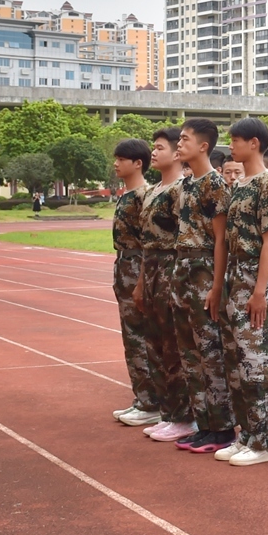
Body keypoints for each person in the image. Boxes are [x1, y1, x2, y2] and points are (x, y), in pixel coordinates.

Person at [213, 118, 268, 466]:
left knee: (257, 364)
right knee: (236, 363)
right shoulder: (241, 185)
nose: (231, 147)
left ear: (254, 143)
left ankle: (263, 443)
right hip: (236, 277)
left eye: (236, 141)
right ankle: (247, 435)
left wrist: (260, 292)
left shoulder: (266, 184)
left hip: (259, 279)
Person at [172, 119, 234, 454]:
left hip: (204, 270)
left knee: (210, 352)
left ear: (203, 146)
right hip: (182, 269)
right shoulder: (186, 185)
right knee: (189, 353)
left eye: (185, 139)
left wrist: (216, 285)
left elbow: (221, 239)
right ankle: (203, 423)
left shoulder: (214, 185)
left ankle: (222, 428)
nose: (179, 145)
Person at [136, 128, 195, 443]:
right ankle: (168, 412)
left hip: (172, 267)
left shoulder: (181, 190)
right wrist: (141, 282)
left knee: (174, 346)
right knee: (155, 344)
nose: (153, 153)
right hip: (151, 269)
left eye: (160, 148)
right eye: (153, 147)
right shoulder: (152, 190)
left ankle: (185, 416)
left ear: (176, 154)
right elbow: (145, 241)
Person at [111, 139, 158, 427]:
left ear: (138, 163)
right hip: (124, 266)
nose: (116, 164)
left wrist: (141, 280)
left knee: (142, 338)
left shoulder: (144, 196)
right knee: (131, 337)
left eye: (121, 159)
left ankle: (151, 402)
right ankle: (142, 398)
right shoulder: (126, 195)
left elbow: (148, 243)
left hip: (137, 267)